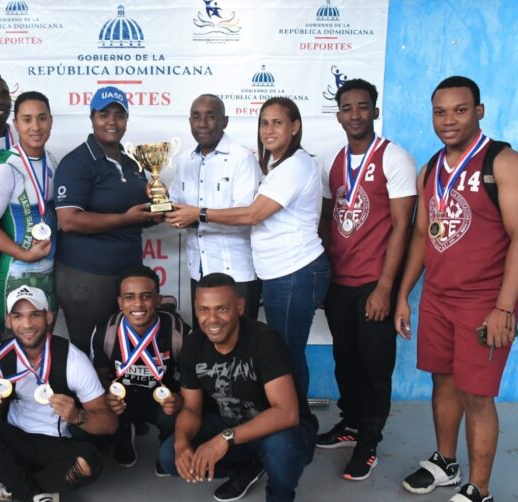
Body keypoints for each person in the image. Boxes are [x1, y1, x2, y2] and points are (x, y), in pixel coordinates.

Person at [394, 76, 518, 502]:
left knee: (477, 394)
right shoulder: (431, 168)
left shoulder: (506, 163)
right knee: (442, 379)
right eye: (440, 112)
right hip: (438, 297)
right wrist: (404, 294)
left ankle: (480, 493)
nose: (448, 120)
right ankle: (446, 462)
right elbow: (422, 235)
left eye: (460, 110)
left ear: (479, 111)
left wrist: (504, 308)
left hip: (485, 302)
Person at [167, 97, 330, 396]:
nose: (269, 130)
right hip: (279, 271)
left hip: (295, 270)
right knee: (278, 352)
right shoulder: (277, 165)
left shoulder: (294, 165)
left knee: (285, 354)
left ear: (295, 127)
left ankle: (295, 420)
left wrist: (198, 213)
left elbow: (252, 215)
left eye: (277, 123)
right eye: (264, 123)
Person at [158, 274, 317, 502]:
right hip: (231, 424)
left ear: (240, 307)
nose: (212, 319)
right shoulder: (194, 344)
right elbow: (192, 409)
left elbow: (286, 413)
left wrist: (224, 439)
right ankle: (249, 465)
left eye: (221, 308)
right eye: (204, 310)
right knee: (168, 456)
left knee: (281, 447)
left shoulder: (264, 340)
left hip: (281, 430)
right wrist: (182, 442)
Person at [0, 285, 117, 502]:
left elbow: (109, 423)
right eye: (18, 316)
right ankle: (35, 493)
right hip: (14, 442)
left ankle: (11, 486)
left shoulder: (72, 359)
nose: (27, 324)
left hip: (56, 446)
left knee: (90, 462)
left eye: (34, 315)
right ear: (9, 321)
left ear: (48, 317)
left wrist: (78, 416)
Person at [317, 79, 417, 480]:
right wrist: (324, 276)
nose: (354, 114)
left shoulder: (394, 158)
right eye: (347, 108)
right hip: (339, 282)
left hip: (375, 283)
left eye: (362, 107)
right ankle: (351, 424)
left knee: (375, 367)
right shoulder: (333, 160)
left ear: (375, 112)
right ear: (338, 115)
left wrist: (385, 288)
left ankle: (369, 442)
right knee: (346, 360)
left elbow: (403, 227)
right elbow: (327, 220)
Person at [54, 86, 162, 353]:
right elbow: (69, 221)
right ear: (92, 118)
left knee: (123, 350)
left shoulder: (132, 163)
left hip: (127, 277)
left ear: (127, 120)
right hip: (87, 277)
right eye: (104, 114)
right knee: (89, 351)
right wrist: (126, 219)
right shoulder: (77, 162)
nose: (112, 121)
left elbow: (135, 215)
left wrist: (154, 214)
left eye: (119, 115)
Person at [169, 94, 263, 327]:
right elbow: (175, 208)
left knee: (242, 340)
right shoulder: (184, 160)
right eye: (196, 117)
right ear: (189, 121)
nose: (202, 123)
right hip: (199, 271)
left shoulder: (242, 158)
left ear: (225, 121)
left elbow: (246, 215)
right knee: (206, 338)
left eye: (210, 116)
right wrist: (156, 197)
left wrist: (197, 214)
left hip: (237, 273)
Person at [90, 265, 190, 469]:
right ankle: (123, 434)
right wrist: (108, 396)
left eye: (146, 296)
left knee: (176, 415)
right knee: (102, 408)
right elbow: (98, 375)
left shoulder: (179, 333)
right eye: (129, 297)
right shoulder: (105, 332)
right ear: (120, 302)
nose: (138, 304)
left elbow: (191, 383)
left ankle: (167, 444)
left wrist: (179, 400)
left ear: (158, 300)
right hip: (122, 399)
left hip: (162, 400)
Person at [0, 91, 58, 334]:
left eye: (42, 118)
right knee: (15, 347)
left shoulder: (51, 161)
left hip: (49, 274)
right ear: (16, 123)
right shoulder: (5, 168)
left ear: (51, 121)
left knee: (44, 347)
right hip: (15, 274)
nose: (36, 127)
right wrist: (24, 254)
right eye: (27, 119)